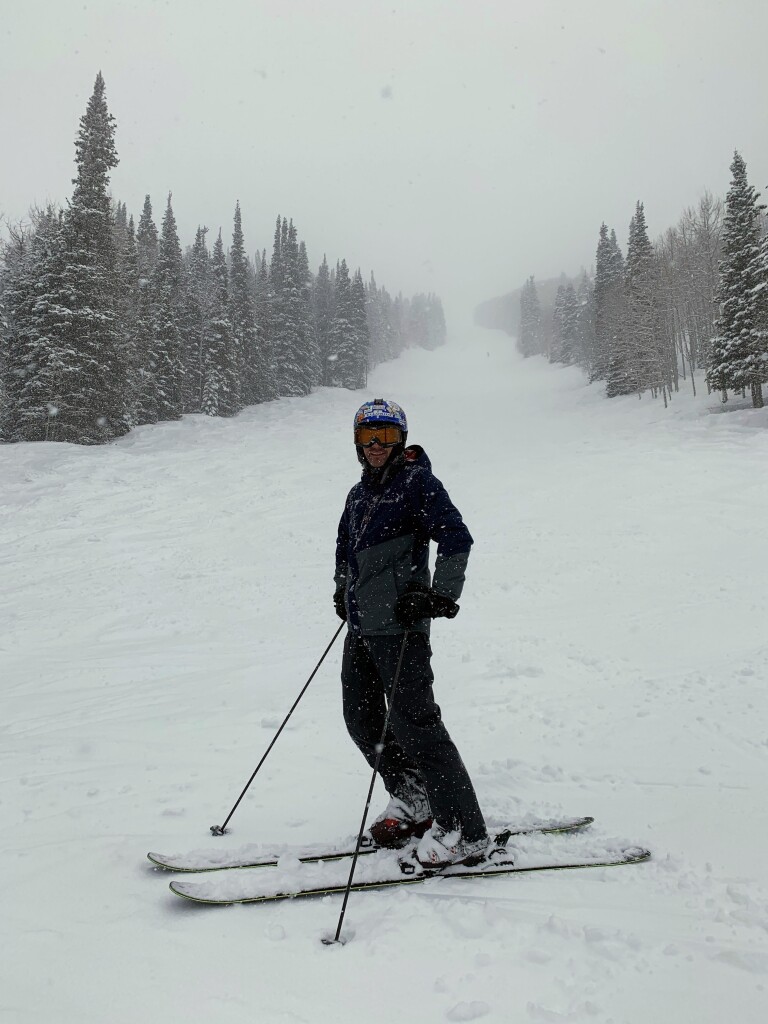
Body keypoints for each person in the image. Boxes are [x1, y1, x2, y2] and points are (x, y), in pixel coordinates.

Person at [334, 398, 490, 867]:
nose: (376, 445)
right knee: (361, 720)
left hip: (402, 627)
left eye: (384, 436)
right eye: (367, 437)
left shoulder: (416, 482)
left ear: (400, 438)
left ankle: (465, 829)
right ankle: (414, 796)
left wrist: (438, 594)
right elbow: (345, 552)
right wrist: (343, 591)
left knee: (416, 726)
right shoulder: (358, 495)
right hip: (363, 628)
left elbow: (456, 536)